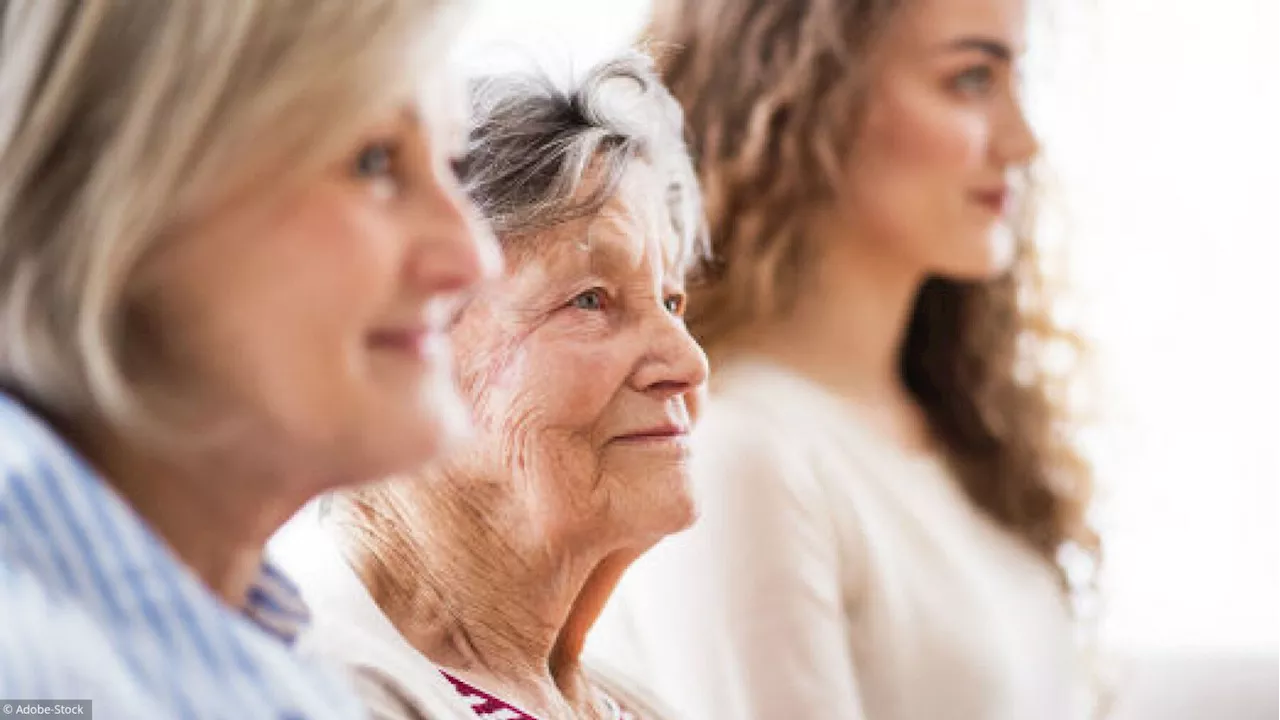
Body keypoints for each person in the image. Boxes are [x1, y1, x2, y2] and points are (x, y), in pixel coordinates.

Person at [589, 0, 1100, 718]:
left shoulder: (947, 427)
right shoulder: (739, 454)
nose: (1023, 142)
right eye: (972, 78)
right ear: (805, 99)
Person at [0, 1, 499, 717]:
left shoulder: (230, 647)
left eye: (450, 163)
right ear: (116, 191)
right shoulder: (42, 673)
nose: (474, 257)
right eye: (373, 160)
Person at [286, 53, 707, 720]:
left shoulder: (624, 705)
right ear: (409, 339)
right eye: (592, 300)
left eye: (672, 302)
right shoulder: (330, 692)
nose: (688, 362)